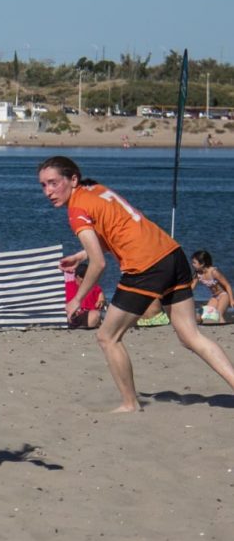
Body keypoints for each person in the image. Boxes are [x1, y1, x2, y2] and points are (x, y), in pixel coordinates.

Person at [38, 155, 234, 412]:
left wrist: (76, 299)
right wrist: (81, 255)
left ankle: (130, 403)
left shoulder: (76, 211)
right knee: (190, 336)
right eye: (43, 185)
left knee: (107, 337)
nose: (48, 191)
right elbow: (119, 228)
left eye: (53, 183)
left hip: (146, 266)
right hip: (172, 254)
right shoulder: (96, 189)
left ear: (72, 179)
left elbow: (98, 265)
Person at [191, 250, 232, 323]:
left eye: (194, 263)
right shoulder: (198, 274)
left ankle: (223, 329)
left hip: (224, 295)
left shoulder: (213, 272)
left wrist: (232, 300)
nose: (192, 264)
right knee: (204, 315)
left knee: (218, 314)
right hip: (214, 297)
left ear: (202, 263)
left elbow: (227, 285)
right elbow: (191, 288)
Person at [64, 262, 106, 329]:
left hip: (89, 314)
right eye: (86, 278)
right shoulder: (67, 286)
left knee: (95, 315)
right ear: (78, 277)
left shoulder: (94, 287)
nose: (89, 280)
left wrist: (101, 301)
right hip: (72, 315)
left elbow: (101, 297)